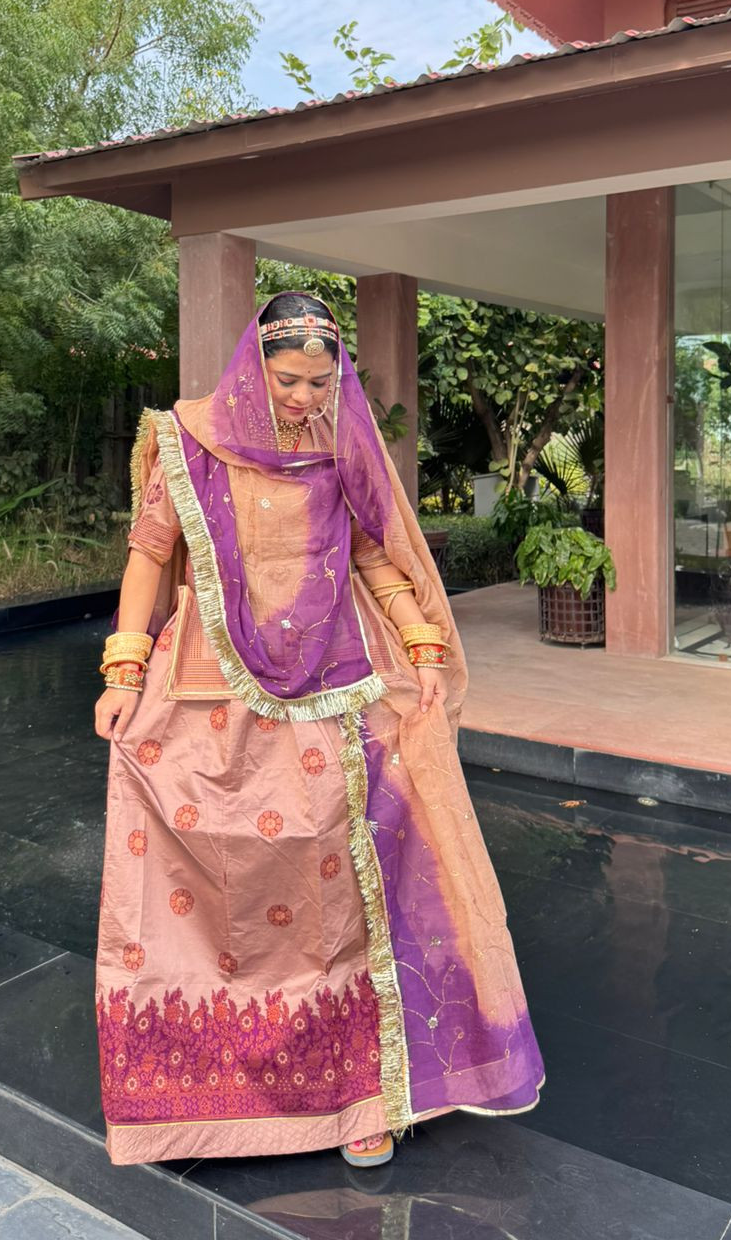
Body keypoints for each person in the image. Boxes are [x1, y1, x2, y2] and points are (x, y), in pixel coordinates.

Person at [94, 292, 544, 1168]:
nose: (304, 398)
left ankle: (358, 1097)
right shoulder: (190, 441)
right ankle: (205, 1086)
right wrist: (123, 667)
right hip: (210, 679)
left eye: (318, 382)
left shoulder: (338, 444)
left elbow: (371, 550)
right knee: (207, 861)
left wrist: (420, 640)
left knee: (337, 879)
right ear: (252, 368)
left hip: (333, 679)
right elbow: (148, 550)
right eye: (288, 380)